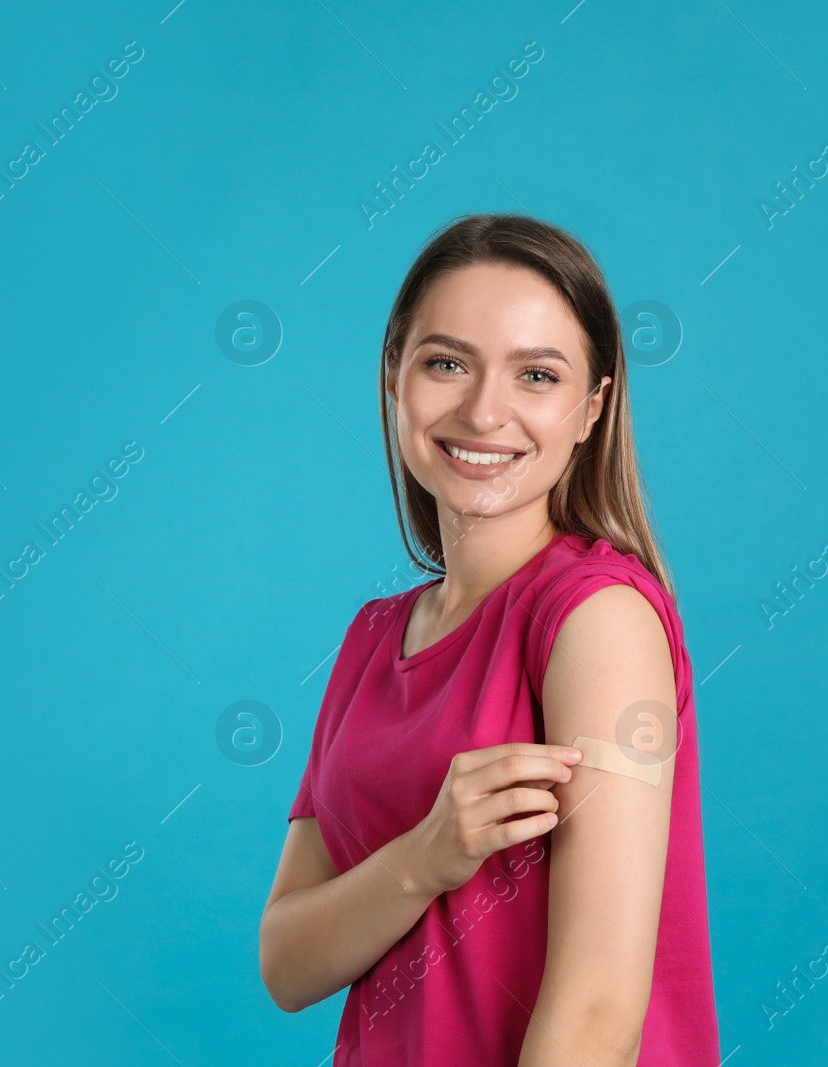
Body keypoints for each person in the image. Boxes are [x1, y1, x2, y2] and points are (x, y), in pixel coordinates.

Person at [260, 213, 720, 1064]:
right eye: (446, 363)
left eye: (536, 375)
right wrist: (429, 855)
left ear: (591, 409)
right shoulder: (372, 638)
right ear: (395, 375)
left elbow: (597, 1013)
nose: (483, 410)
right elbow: (287, 963)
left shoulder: (598, 618)